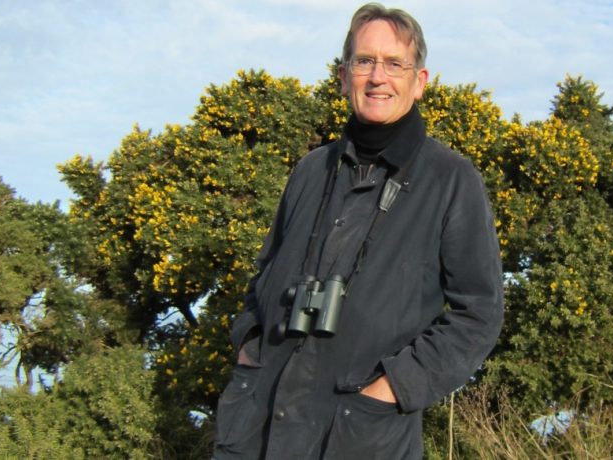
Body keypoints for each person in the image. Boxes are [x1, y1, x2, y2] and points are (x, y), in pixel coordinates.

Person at [213, 3, 503, 458]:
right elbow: (262, 277)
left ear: (419, 82)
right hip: (255, 428)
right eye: (364, 61)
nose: (377, 77)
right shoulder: (311, 170)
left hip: (363, 438)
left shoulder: (451, 179)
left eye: (394, 64)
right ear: (344, 75)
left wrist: (394, 388)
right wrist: (249, 348)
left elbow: (479, 314)